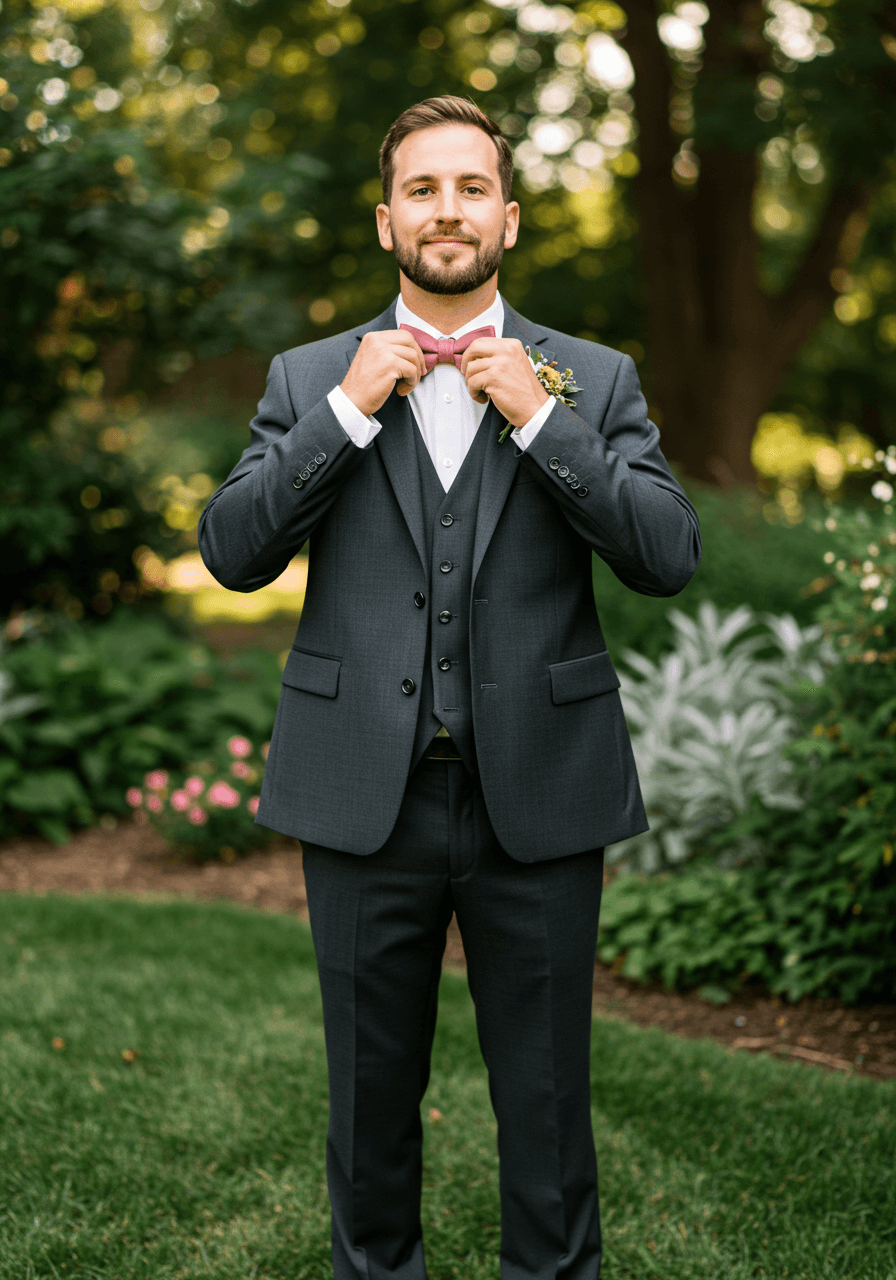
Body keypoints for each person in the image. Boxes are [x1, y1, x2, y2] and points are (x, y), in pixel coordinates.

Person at [199, 95, 701, 1280]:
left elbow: (664, 555)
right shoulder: (308, 374)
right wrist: (346, 408)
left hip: (540, 790)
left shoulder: (590, 377)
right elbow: (231, 552)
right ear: (386, 222)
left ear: (509, 218)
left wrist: (538, 420)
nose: (446, 209)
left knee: (546, 1109)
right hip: (359, 792)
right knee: (369, 1110)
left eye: (470, 187)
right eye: (421, 189)